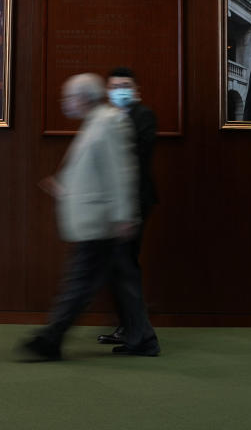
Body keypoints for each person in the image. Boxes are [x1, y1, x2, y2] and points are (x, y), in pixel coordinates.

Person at [21, 74, 160, 361]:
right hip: (100, 218)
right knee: (121, 280)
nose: (65, 102)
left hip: (102, 220)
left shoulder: (109, 121)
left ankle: (51, 338)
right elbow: (93, 169)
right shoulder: (97, 122)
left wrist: (124, 215)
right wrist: (64, 186)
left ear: (83, 98)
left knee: (80, 282)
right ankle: (143, 339)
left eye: (68, 97)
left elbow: (120, 171)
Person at [97, 67, 157, 346]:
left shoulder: (143, 116)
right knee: (117, 267)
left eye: (125, 85)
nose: (119, 90)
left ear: (135, 90)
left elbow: (135, 156)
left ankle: (137, 332)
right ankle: (129, 329)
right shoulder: (105, 118)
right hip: (109, 203)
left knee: (125, 265)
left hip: (134, 202)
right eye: (114, 86)